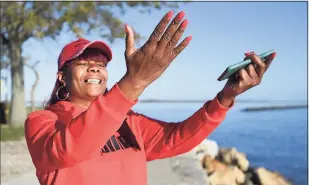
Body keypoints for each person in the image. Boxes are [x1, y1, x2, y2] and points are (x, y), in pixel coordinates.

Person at [24, 10, 276, 185]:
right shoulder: (42, 121)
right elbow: (68, 149)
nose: (95, 68)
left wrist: (224, 98)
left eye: (100, 63)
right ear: (61, 77)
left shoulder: (128, 120)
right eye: (83, 62)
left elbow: (176, 138)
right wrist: (134, 83)